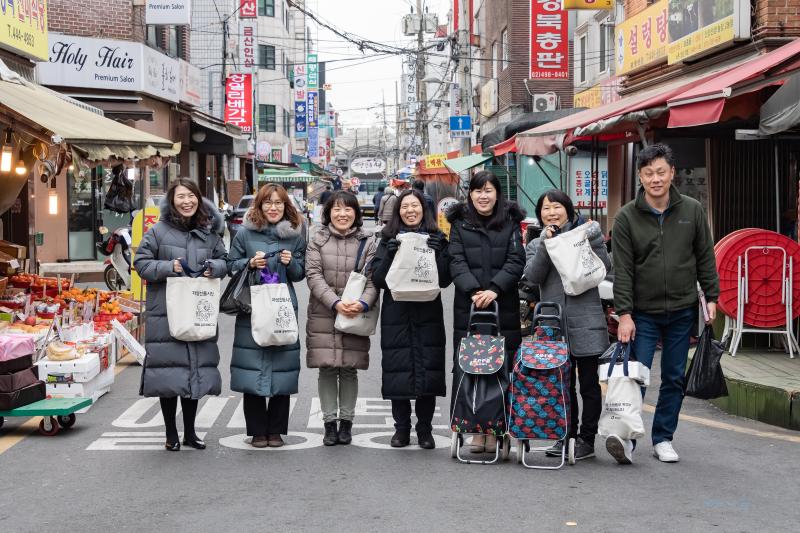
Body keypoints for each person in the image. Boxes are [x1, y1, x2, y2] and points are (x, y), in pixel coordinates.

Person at [612, 143, 719, 464]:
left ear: (672, 173)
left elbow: (705, 256)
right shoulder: (626, 218)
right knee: (636, 376)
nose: (655, 179)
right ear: (640, 177)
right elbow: (623, 270)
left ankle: (663, 438)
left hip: (683, 308)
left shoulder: (692, 211)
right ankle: (628, 437)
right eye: (648, 173)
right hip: (642, 314)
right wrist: (625, 314)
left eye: (661, 172)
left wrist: (711, 297)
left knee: (674, 377)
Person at [133, 178, 227, 451]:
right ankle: (171, 433)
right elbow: (141, 263)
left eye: (191, 196)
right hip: (166, 312)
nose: (187, 201)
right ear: (172, 201)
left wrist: (214, 267)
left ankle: (191, 432)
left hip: (198, 310)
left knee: (194, 371)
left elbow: (225, 260)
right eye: (180, 197)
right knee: (168, 375)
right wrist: (170, 266)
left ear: (199, 198)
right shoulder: (158, 232)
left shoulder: (209, 232)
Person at [524, 189, 611, 461]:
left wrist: (594, 237)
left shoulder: (583, 236)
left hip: (586, 320)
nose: (552, 212)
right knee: (561, 386)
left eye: (557, 207)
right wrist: (546, 245)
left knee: (588, 385)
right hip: (554, 323)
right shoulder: (536, 244)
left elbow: (603, 268)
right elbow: (533, 276)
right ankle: (566, 436)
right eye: (546, 208)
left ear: (568, 209)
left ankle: (587, 439)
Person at [446, 170, 526, 453]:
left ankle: (497, 428)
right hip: (468, 307)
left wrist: (494, 289)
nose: (483, 195)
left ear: (497, 194)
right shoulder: (459, 222)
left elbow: (517, 259)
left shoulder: (511, 222)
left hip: (502, 305)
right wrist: (473, 291)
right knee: (468, 367)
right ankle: (472, 428)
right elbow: (455, 259)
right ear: (470, 194)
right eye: (479, 190)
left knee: (502, 367)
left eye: (489, 190)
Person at [370, 189, 451, 449]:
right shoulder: (388, 238)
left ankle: (424, 430)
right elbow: (378, 279)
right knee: (399, 370)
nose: (410, 210)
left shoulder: (437, 237)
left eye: (415, 205)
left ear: (423, 209)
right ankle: (401, 429)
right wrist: (391, 254)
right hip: (397, 313)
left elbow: (446, 279)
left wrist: (440, 254)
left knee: (428, 370)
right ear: (398, 210)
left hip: (428, 311)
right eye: (405, 206)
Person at [227, 183, 307, 448]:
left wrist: (290, 262)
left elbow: (300, 273)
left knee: (282, 368)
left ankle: (276, 430)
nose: (273, 208)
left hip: (283, 306)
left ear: (286, 207)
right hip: (252, 306)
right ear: (259, 206)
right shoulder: (244, 234)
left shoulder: (295, 235)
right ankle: (257, 431)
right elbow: (230, 265)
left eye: (279, 203)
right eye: (268, 203)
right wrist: (248, 263)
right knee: (252, 367)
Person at [305, 191, 378, 446]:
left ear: (356, 213)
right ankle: (329, 424)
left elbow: (373, 279)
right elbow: (313, 275)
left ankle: (346, 423)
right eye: (336, 209)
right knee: (327, 367)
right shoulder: (317, 239)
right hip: (324, 311)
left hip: (355, 312)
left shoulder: (368, 241)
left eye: (348, 209)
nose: (342, 214)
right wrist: (335, 303)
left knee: (348, 368)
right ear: (328, 213)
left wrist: (362, 303)